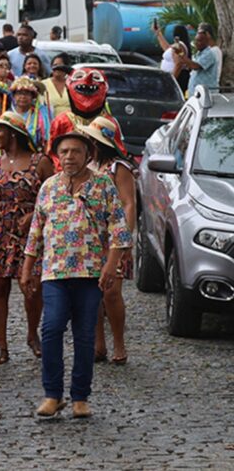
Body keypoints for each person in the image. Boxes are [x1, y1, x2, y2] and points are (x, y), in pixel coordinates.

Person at [22, 131, 131, 418]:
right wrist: (26, 269)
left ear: (88, 156)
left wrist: (111, 265)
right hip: (54, 272)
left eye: (76, 152)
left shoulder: (103, 185)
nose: (70, 157)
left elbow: (119, 229)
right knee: (52, 328)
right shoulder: (48, 187)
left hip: (90, 272)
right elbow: (36, 230)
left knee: (84, 335)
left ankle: (80, 397)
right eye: (64, 151)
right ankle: (52, 394)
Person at [0, 111, 54, 365]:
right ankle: (2, 345)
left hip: (29, 234)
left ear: (13, 133)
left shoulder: (39, 162)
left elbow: (53, 196)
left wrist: (34, 214)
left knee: (32, 288)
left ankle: (33, 334)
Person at [80, 117, 135, 365]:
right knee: (92, 294)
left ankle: (119, 344)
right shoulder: (87, 167)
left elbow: (129, 203)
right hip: (89, 237)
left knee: (111, 293)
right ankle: (98, 344)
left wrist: (125, 240)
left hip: (112, 237)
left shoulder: (118, 167)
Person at [9, 77, 50, 150]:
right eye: (19, 93)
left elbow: (47, 140)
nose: (22, 97)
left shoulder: (42, 114)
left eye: (26, 93)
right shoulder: (8, 115)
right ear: (14, 96)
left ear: (33, 96)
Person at [180, 24, 219, 96]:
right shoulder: (199, 53)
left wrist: (182, 55)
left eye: (199, 41)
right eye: (196, 41)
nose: (196, 43)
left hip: (205, 95)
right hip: (196, 94)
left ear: (206, 42)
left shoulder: (209, 53)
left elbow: (196, 66)